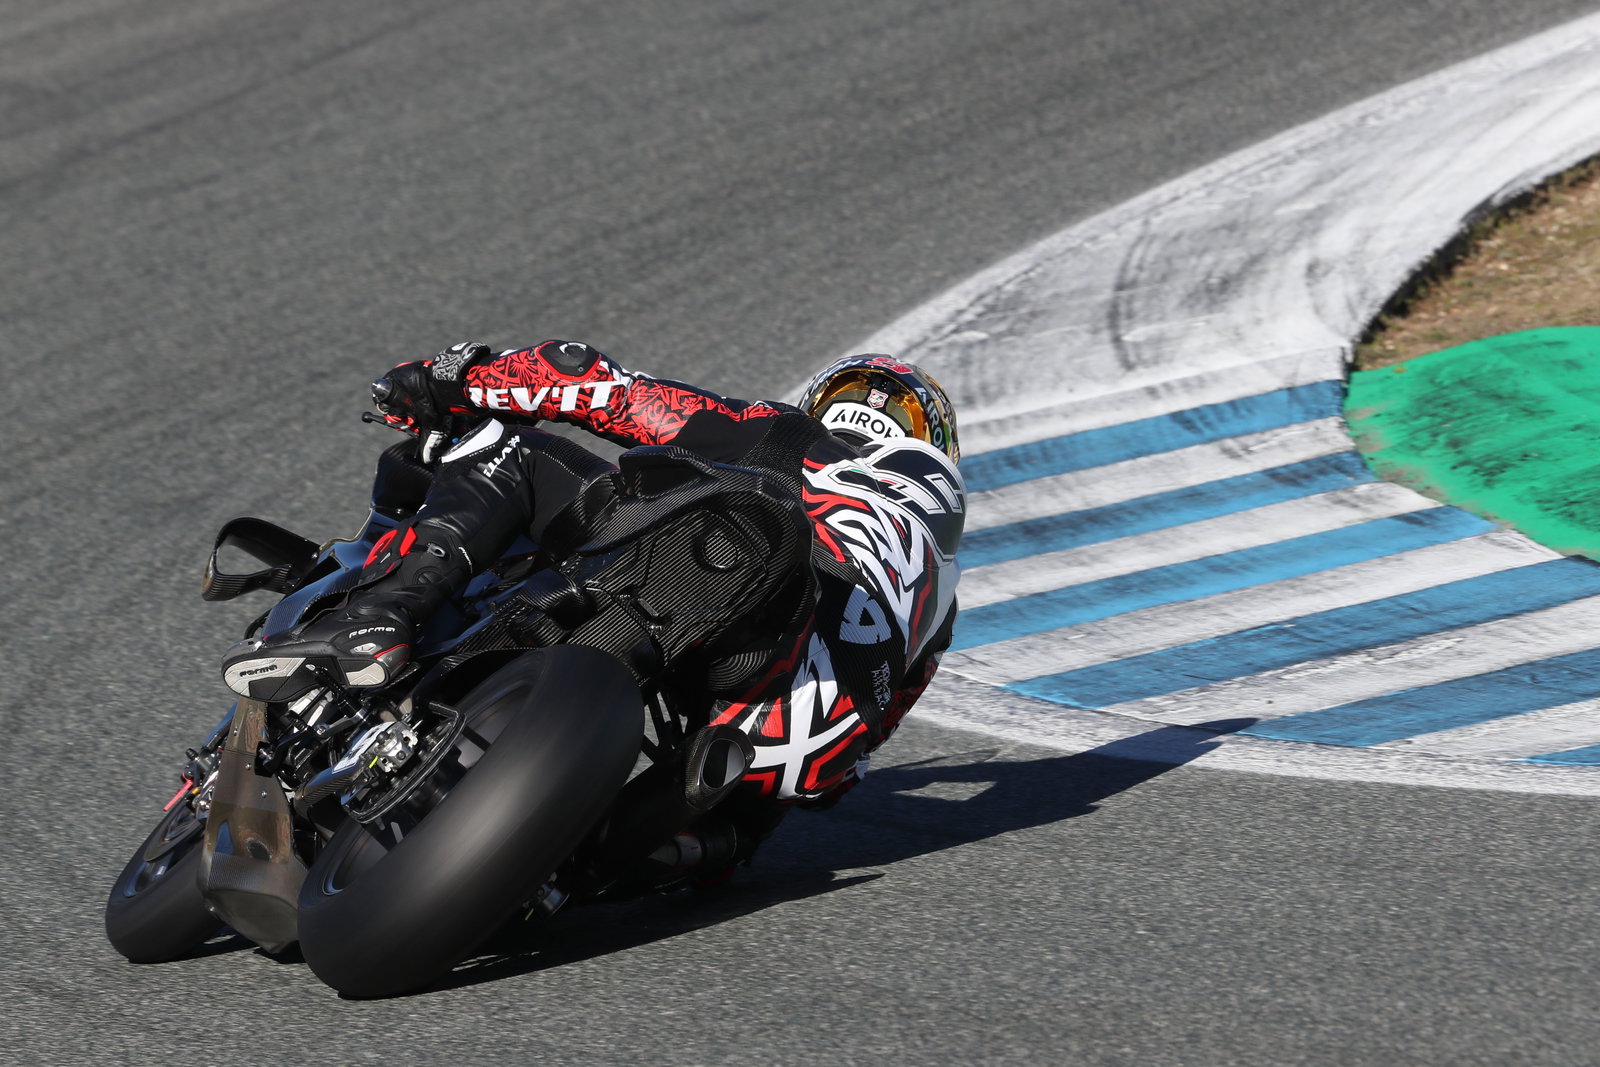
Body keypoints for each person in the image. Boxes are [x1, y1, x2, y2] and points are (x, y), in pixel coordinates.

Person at [222, 340, 964, 882]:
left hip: (697, 565)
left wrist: (449, 379)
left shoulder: (790, 435)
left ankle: (382, 614)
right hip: (767, 727)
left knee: (507, 449)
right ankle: (651, 850)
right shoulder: (939, 603)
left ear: (828, 408)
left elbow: (597, 386)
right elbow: (845, 774)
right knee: (745, 825)